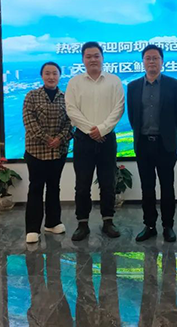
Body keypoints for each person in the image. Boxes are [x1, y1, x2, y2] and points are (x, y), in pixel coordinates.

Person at [65, 42, 125, 240]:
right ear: (83, 59)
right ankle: (82, 223)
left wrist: (103, 129)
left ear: (102, 57)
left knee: (108, 182)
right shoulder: (74, 82)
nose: (93, 59)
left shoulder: (114, 81)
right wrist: (92, 130)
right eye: (88, 56)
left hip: (107, 138)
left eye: (96, 56)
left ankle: (108, 221)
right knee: (82, 184)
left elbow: (119, 108)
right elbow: (71, 109)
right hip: (83, 139)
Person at [127, 44, 177, 243]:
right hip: (143, 144)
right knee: (147, 187)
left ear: (162, 61)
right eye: (148, 58)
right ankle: (149, 225)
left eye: (155, 58)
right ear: (143, 62)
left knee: (167, 186)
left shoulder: (173, 84)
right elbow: (133, 116)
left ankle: (168, 226)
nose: (152, 61)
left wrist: (170, 134)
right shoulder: (133, 87)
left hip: (165, 144)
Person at [22, 62, 72, 244]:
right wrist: (46, 139)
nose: (51, 77)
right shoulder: (32, 96)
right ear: (42, 76)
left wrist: (60, 138)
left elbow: (71, 122)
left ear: (59, 75)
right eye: (47, 73)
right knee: (35, 188)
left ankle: (53, 222)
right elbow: (29, 121)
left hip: (58, 151)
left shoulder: (66, 97)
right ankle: (32, 229)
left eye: (54, 73)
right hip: (36, 151)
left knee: (54, 187)